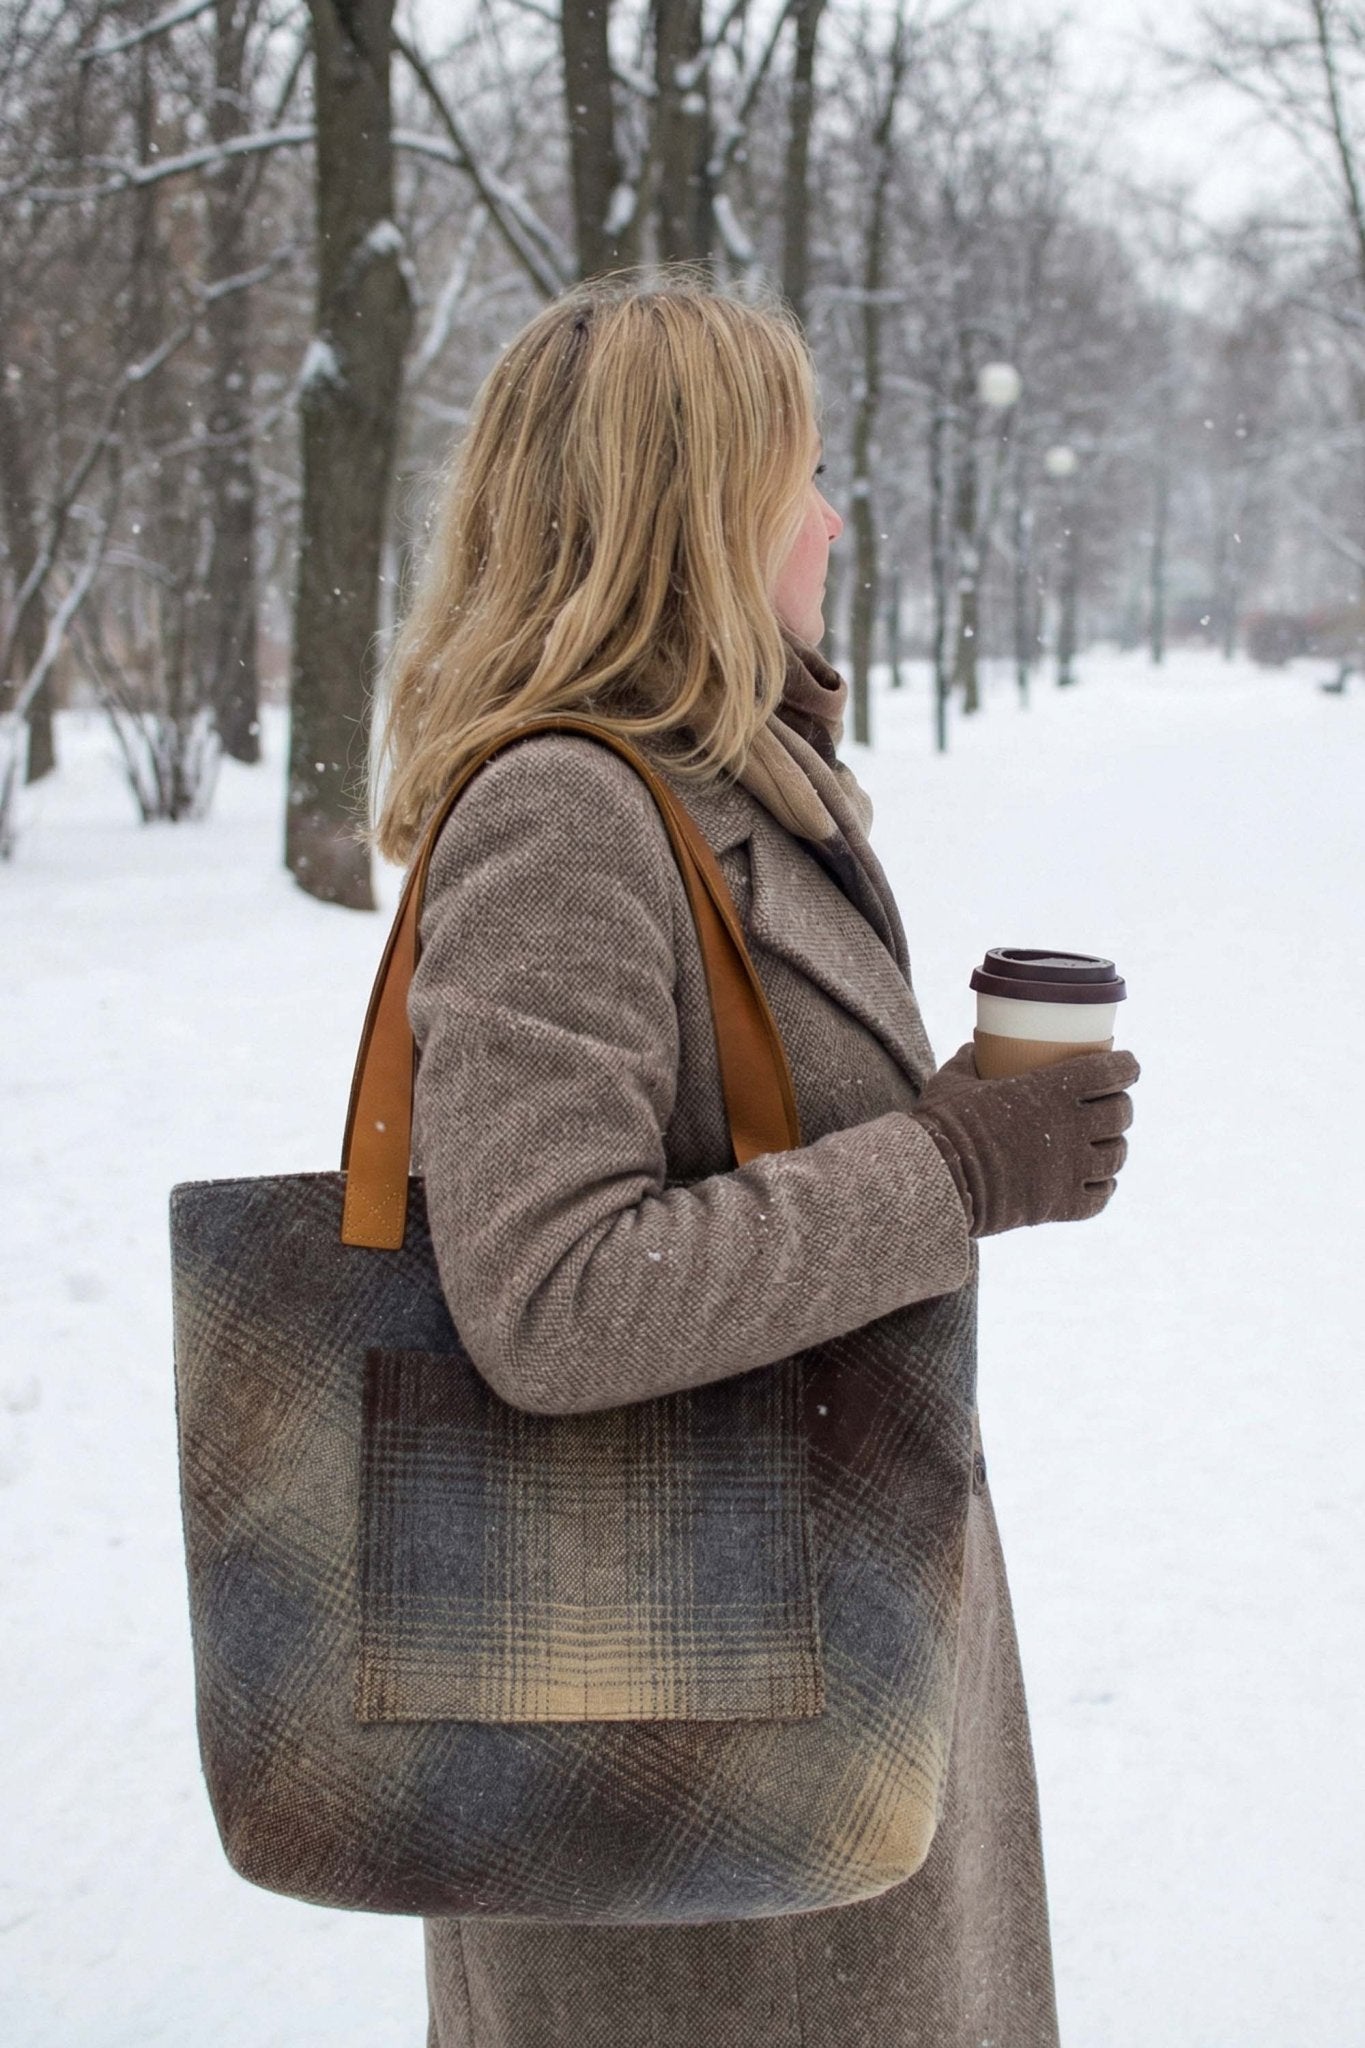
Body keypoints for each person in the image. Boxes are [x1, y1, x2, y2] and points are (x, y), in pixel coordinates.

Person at [370, 270, 1138, 2048]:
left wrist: (966, 1136)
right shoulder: (568, 810)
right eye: (798, 477)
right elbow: (548, 1297)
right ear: (699, 518)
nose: (832, 518)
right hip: (666, 1776)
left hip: (802, 1678)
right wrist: (950, 1168)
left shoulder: (722, 794)